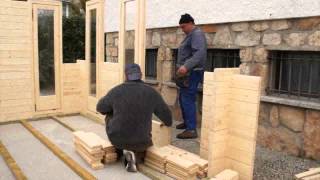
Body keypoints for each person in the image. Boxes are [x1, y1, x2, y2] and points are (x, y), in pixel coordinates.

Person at [96, 63, 172, 172]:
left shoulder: (116, 91)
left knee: (109, 113)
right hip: (142, 141)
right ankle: (135, 153)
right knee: (139, 130)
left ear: (126, 76)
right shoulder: (151, 92)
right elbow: (168, 119)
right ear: (140, 75)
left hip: (118, 139)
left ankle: (120, 150)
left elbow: (100, 108)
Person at [175, 13, 207, 139]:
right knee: (183, 98)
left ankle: (191, 130)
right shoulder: (191, 35)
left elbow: (199, 54)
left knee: (187, 99)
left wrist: (186, 66)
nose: (182, 30)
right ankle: (187, 123)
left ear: (190, 23)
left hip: (192, 72)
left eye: (183, 27)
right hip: (188, 73)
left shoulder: (197, 34)